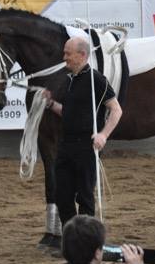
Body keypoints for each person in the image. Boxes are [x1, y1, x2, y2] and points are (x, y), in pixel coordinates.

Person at [43, 36, 123, 243]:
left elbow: (116, 110)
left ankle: (87, 242)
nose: (64, 57)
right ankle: (71, 240)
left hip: (86, 147)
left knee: (85, 198)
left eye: (68, 54)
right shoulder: (69, 80)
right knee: (62, 196)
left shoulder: (96, 79)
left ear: (82, 55)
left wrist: (103, 135)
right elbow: (68, 112)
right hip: (65, 146)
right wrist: (51, 104)